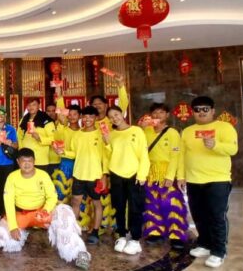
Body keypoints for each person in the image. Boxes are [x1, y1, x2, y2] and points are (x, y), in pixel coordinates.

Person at [0, 148, 91, 270]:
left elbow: (52, 196)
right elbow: (8, 202)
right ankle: (20, 234)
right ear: (18, 162)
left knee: (65, 216)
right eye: (23, 161)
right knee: (3, 235)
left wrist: (45, 210)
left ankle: (80, 254)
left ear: (34, 161)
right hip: (22, 214)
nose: (27, 164)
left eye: (30, 161)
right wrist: (12, 227)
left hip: (42, 213)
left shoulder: (43, 175)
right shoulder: (12, 177)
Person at [179, 96, 238, 268]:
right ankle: (204, 243)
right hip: (193, 180)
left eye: (205, 109)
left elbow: (233, 149)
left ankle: (219, 250)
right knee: (199, 215)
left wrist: (216, 145)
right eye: (197, 109)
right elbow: (182, 155)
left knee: (217, 216)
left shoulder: (224, 127)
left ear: (213, 111)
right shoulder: (188, 131)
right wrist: (182, 176)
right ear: (192, 112)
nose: (201, 112)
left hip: (217, 180)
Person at [140, 103, 188, 249]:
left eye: (161, 112)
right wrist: (141, 128)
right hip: (150, 172)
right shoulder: (146, 131)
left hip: (168, 171)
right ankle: (155, 232)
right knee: (152, 203)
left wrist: (171, 176)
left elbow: (176, 156)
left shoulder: (172, 132)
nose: (157, 116)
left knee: (172, 203)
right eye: (154, 113)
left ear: (167, 115)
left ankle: (176, 235)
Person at [58, 106, 108, 245]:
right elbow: (74, 153)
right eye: (85, 117)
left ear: (96, 118)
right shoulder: (77, 134)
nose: (87, 119)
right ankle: (73, 231)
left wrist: (104, 175)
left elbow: (106, 156)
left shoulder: (101, 134)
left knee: (97, 203)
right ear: (82, 118)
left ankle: (95, 232)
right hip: (79, 174)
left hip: (95, 175)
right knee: (75, 202)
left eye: (91, 117)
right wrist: (63, 153)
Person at [103, 105, 150, 255]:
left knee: (135, 207)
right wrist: (106, 143)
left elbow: (143, 155)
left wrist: (142, 175)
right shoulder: (111, 134)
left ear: (122, 114)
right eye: (111, 117)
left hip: (134, 175)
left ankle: (135, 239)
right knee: (119, 206)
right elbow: (108, 156)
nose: (114, 118)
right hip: (116, 174)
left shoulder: (137, 131)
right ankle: (122, 235)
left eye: (116, 114)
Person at [0, 105, 18, 226]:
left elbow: (16, 145)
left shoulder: (11, 129)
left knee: (7, 190)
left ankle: (7, 214)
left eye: (2, 114)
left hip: (8, 164)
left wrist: (10, 143)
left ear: (5, 116)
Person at [17, 98, 56, 173]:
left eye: (34, 105)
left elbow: (53, 138)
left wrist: (39, 138)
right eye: (29, 105)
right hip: (25, 159)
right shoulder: (24, 119)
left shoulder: (46, 119)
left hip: (40, 159)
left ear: (39, 105)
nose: (31, 107)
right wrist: (21, 152)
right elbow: (19, 136)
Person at [52, 104, 81, 202]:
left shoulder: (83, 132)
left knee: (79, 194)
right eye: (70, 114)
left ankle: (80, 215)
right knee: (62, 190)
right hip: (66, 163)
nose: (72, 117)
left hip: (80, 164)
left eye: (75, 114)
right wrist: (60, 122)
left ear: (80, 116)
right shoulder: (63, 130)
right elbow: (55, 139)